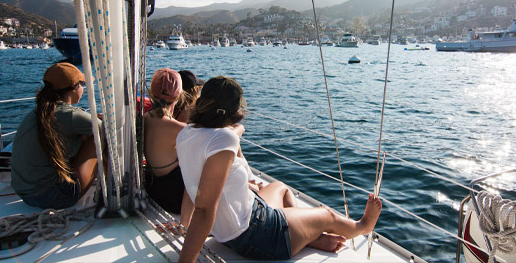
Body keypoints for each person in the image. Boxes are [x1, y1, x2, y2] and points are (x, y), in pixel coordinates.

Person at [176, 76, 382, 262]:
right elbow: (203, 209)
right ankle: (363, 226)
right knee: (326, 215)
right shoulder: (224, 139)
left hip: (228, 231)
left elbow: (195, 185)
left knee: (280, 188)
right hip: (258, 234)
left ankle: (308, 237)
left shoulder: (186, 134)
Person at [11, 62, 99, 209]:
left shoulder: (37, 113)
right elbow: (106, 130)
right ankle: (116, 185)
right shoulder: (71, 115)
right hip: (56, 197)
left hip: (25, 194)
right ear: (74, 88)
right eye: (81, 84)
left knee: (86, 132)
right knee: (97, 136)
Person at [143, 68, 192, 219]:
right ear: (179, 95)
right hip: (173, 199)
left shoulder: (146, 117)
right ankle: (186, 223)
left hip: (153, 189)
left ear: (151, 93)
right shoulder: (176, 128)